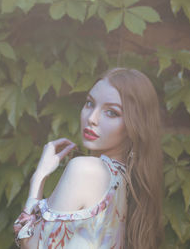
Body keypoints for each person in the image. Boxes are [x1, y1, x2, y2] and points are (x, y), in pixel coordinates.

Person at [13, 67, 163, 249]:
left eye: (112, 112)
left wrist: (39, 178)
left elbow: (31, 244)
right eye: (90, 103)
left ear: (135, 126)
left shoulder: (86, 170)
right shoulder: (128, 183)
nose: (92, 118)